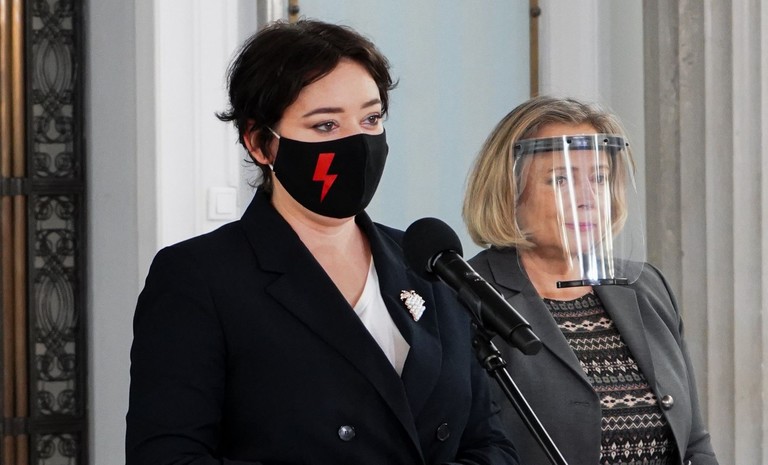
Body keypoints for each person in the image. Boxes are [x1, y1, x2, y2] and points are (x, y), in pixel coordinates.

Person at [125, 19, 518, 465]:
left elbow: (489, 444)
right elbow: (168, 456)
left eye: (371, 119)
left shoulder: (426, 263)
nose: (358, 143)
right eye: (326, 125)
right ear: (260, 143)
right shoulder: (199, 276)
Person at [462, 95, 718, 465]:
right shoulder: (466, 295)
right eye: (561, 179)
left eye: (598, 178)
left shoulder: (647, 287)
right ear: (509, 191)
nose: (587, 199)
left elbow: (694, 442)